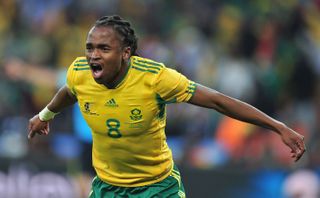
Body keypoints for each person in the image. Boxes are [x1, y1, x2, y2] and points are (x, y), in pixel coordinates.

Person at [28, 15, 306, 198]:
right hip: (108, 187)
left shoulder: (155, 79)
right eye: (90, 47)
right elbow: (69, 91)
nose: (93, 55)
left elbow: (219, 101)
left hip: (158, 188)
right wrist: (45, 114)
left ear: (126, 53)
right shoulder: (79, 73)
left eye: (103, 48)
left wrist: (277, 126)